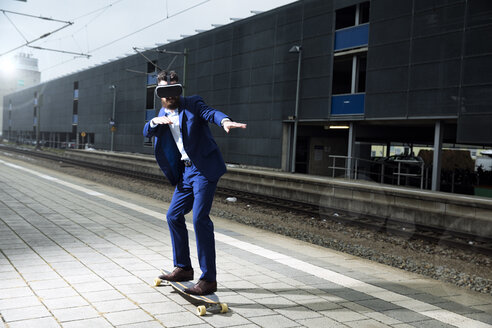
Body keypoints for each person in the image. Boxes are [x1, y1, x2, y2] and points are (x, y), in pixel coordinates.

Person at [143, 70, 246, 295]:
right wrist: (152, 121)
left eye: (174, 91)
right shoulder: (162, 111)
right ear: (159, 94)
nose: (170, 97)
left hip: (203, 170)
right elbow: (146, 131)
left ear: (179, 89)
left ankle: (208, 279)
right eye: (164, 93)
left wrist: (225, 121)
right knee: (173, 215)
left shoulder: (193, 103)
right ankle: (183, 267)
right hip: (185, 173)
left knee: (199, 218)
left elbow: (210, 113)